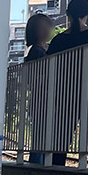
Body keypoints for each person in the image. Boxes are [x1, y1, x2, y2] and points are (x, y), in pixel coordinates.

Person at [47, 0, 88, 169]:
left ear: (68, 14)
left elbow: (50, 68)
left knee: (62, 135)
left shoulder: (58, 40)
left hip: (67, 89)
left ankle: (57, 170)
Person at [22, 13, 54, 164]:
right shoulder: (37, 51)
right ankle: (36, 165)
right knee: (42, 138)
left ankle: (37, 164)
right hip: (43, 100)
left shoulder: (36, 50)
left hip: (39, 99)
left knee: (41, 137)